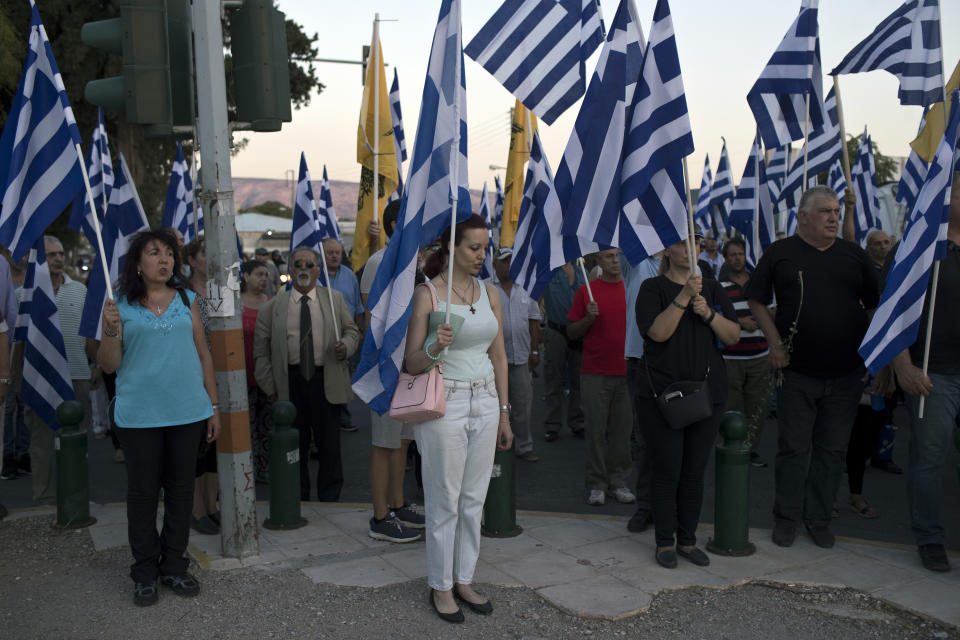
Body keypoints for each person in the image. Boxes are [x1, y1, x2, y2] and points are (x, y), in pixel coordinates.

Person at [747, 186, 879, 550]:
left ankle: (818, 520)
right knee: (793, 450)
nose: (834, 217)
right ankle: (786, 519)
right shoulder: (780, 253)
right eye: (825, 211)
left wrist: (875, 356)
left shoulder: (854, 255)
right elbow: (756, 299)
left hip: (846, 375)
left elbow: (875, 305)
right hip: (796, 373)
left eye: (836, 211)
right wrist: (774, 343)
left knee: (832, 452)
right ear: (802, 217)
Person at [98, 228, 220, 606]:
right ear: (137, 262)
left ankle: (175, 566)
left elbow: (203, 355)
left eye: (169, 254)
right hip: (139, 416)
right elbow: (109, 365)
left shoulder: (187, 298)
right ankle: (145, 571)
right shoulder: (119, 304)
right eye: (154, 253)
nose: (164, 260)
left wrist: (213, 407)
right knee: (143, 494)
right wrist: (110, 331)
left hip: (188, 412)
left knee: (182, 492)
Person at [405, 214, 512, 623]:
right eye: (474, 247)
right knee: (444, 499)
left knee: (473, 500)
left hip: (485, 400)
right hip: (443, 402)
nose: (482, 255)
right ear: (452, 249)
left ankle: (464, 578)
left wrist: (504, 413)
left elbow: (498, 354)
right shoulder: (427, 295)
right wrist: (434, 345)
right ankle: (441, 585)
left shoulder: (490, 293)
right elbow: (412, 363)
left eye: (485, 247)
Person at [635, 235, 739, 569]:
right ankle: (665, 541)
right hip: (662, 396)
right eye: (680, 243)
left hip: (707, 395)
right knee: (668, 470)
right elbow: (657, 333)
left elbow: (733, 336)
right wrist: (683, 297)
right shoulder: (652, 288)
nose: (688, 249)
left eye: (693, 243)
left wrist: (708, 313)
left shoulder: (713, 287)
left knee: (694, 471)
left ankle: (688, 540)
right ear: (666, 250)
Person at [886, 171, 960, 572]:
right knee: (930, 459)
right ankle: (929, 537)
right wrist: (903, 366)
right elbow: (892, 313)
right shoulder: (921, 247)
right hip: (935, 375)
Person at [253, 247, 359, 502]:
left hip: (327, 380)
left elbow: (352, 331)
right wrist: (272, 388)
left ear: (318, 271)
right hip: (290, 383)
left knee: (330, 447)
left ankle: (329, 498)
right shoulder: (273, 307)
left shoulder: (334, 299)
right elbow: (261, 352)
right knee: (294, 446)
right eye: (298, 264)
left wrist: (346, 346)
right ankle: (297, 497)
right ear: (290, 269)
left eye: (309, 265)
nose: (304, 269)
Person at [359, 201, 424, 543]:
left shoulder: (414, 265)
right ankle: (380, 516)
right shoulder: (378, 263)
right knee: (384, 444)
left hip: (409, 367)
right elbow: (372, 320)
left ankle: (398, 504)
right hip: (386, 367)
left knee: (402, 442)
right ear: (397, 224)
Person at [18, 235, 94, 505]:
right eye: (51, 255)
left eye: (61, 253)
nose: (59, 259)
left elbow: (90, 333)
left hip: (77, 375)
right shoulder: (23, 296)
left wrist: (93, 369)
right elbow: (16, 343)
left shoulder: (79, 291)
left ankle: (78, 495)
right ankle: (46, 496)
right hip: (40, 378)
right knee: (42, 442)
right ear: (36, 260)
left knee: (79, 439)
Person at [567, 249, 634, 506]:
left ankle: (619, 481)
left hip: (626, 371)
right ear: (598, 262)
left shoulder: (631, 288)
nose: (615, 260)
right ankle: (597, 483)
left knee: (622, 432)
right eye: (609, 256)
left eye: (618, 255)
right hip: (594, 372)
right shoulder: (587, 291)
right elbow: (572, 331)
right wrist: (588, 318)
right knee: (595, 431)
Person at [719, 237, 773, 468]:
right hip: (731, 358)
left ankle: (749, 450)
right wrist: (741, 323)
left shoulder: (760, 284)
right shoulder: (719, 288)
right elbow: (714, 318)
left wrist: (765, 317)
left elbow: (773, 312)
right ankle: (728, 448)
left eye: (740, 254)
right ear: (726, 259)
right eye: (732, 255)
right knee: (729, 406)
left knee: (757, 408)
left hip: (759, 356)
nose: (737, 258)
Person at [622, 250, 662, 532]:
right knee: (644, 438)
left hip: (675, 364)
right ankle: (646, 505)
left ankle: (669, 507)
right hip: (639, 360)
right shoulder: (636, 263)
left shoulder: (694, 270)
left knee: (674, 441)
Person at [183, 238, 220, 535]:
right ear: (193, 260)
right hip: (195, 376)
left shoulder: (223, 290)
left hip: (224, 376)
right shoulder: (183, 294)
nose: (212, 259)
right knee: (197, 446)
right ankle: (195, 509)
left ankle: (212, 505)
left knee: (216, 447)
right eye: (206, 253)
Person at [492, 247, 542, 462]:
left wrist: (534, 349)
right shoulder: (487, 288)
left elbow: (534, 321)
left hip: (521, 356)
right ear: (495, 265)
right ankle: (496, 446)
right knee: (495, 405)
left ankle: (524, 445)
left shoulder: (527, 289)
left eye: (512, 261)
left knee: (522, 404)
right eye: (504, 261)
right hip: (494, 359)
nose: (508, 266)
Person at [321, 237, 363, 433]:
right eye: (330, 252)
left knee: (345, 377)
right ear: (321, 254)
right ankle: (333, 418)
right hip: (323, 334)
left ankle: (342, 416)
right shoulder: (316, 276)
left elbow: (358, 306)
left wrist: (360, 332)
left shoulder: (349, 276)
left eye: (337, 252)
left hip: (348, 335)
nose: (334, 256)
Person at [542, 263, 586, 441]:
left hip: (578, 331)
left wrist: (573, 279)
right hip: (556, 330)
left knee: (578, 381)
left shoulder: (583, 271)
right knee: (554, 379)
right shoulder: (548, 272)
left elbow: (587, 298)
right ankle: (553, 424)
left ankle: (578, 422)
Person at [240, 260, 272, 483]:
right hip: (241, 375)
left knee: (266, 425)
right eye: (259, 274)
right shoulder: (235, 304)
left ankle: (265, 468)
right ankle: (245, 470)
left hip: (266, 375)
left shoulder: (272, 303)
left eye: (266, 275)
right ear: (245, 277)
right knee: (245, 426)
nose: (263, 279)